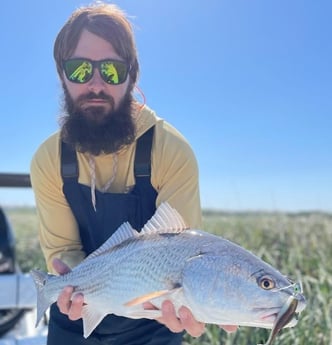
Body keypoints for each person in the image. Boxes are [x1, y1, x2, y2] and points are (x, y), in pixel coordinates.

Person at [30, 3, 236, 344]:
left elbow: (182, 249)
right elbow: (64, 248)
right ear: (62, 75)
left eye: (111, 70)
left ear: (132, 75)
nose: (95, 84)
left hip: (153, 318)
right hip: (74, 314)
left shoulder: (171, 150)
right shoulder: (48, 159)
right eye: (79, 70)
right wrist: (73, 282)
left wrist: (202, 305)